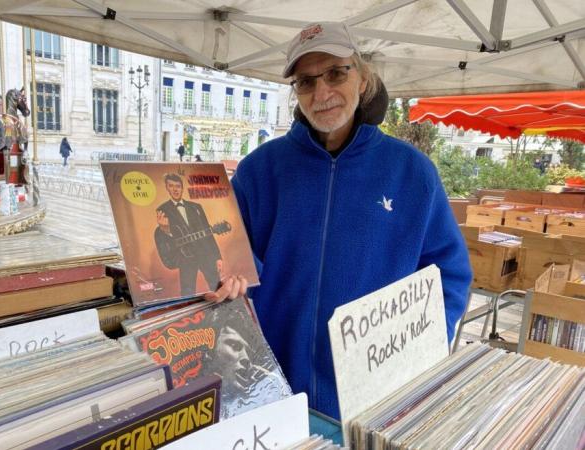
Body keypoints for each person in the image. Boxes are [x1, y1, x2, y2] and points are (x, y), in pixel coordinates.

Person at [224, 22, 472, 420]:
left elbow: (450, 275)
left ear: (363, 77)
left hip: (374, 396)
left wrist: (420, 348)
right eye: (306, 82)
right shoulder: (258, 172)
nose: (322, 93)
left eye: (336, 73)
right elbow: (229, 259)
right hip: (272, 389)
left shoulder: (412, 173)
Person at [154, 173, 223, 296]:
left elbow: (208, 233)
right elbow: (162, 237)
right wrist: (165, 230)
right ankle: (190, 315)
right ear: (167, 187)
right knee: (187, 292)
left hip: (204, 253)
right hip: (184, 258)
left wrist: (217, 256)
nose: (175, 189)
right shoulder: (162, 209)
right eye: (171, 186)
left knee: (217, 286)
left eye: (178, 186)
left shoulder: (196, 207)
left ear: (182, 187)